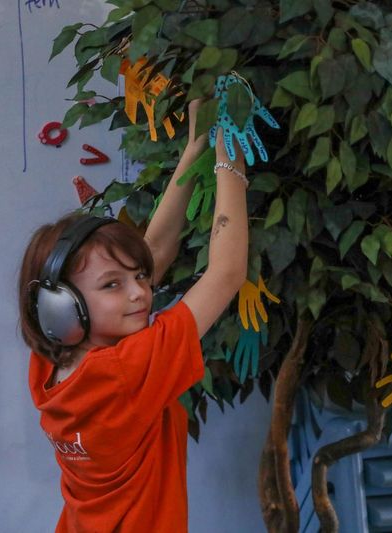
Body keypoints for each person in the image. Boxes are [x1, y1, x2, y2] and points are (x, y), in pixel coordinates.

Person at [17, 100, 248, 532]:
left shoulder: (49, 363)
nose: (140, 292)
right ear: (62, 307)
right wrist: (228, 153)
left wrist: (194, 145)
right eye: (112, 285)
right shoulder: (126, 371)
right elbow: (227, 273)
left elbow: (154, 250)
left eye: (139, 277)